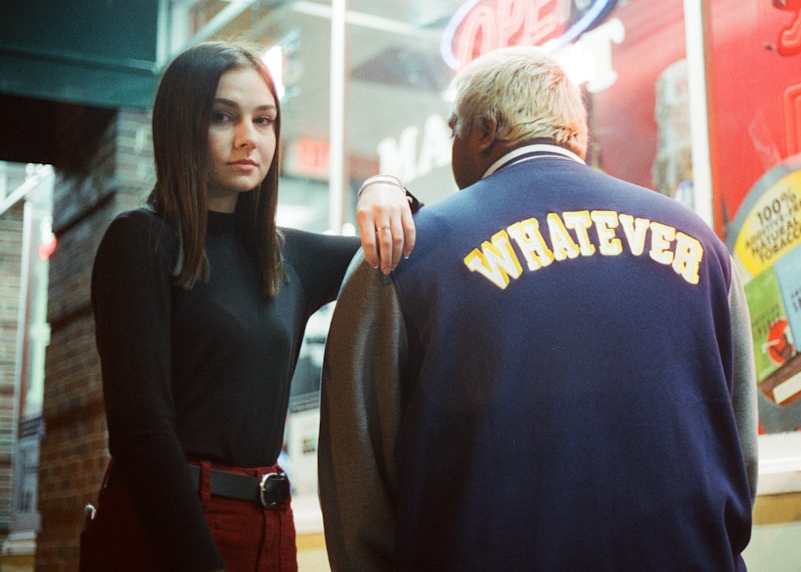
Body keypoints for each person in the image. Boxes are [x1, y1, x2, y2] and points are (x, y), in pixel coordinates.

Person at [318, 45, 759, 571]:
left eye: (453, 130)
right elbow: (740, 449)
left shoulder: (403, 255)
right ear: (577, 133)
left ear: (482, 131)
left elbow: (360, 492)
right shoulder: (701, 243)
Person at [81, 40, 417, 572]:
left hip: (268, 525)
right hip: (167, 524)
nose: (249, 139)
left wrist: (383, 184)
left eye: (265, 121)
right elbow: (140, 429)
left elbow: (419, 242)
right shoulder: (142, 240)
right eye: (223, 117)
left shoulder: (289, 256)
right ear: (181, 125)